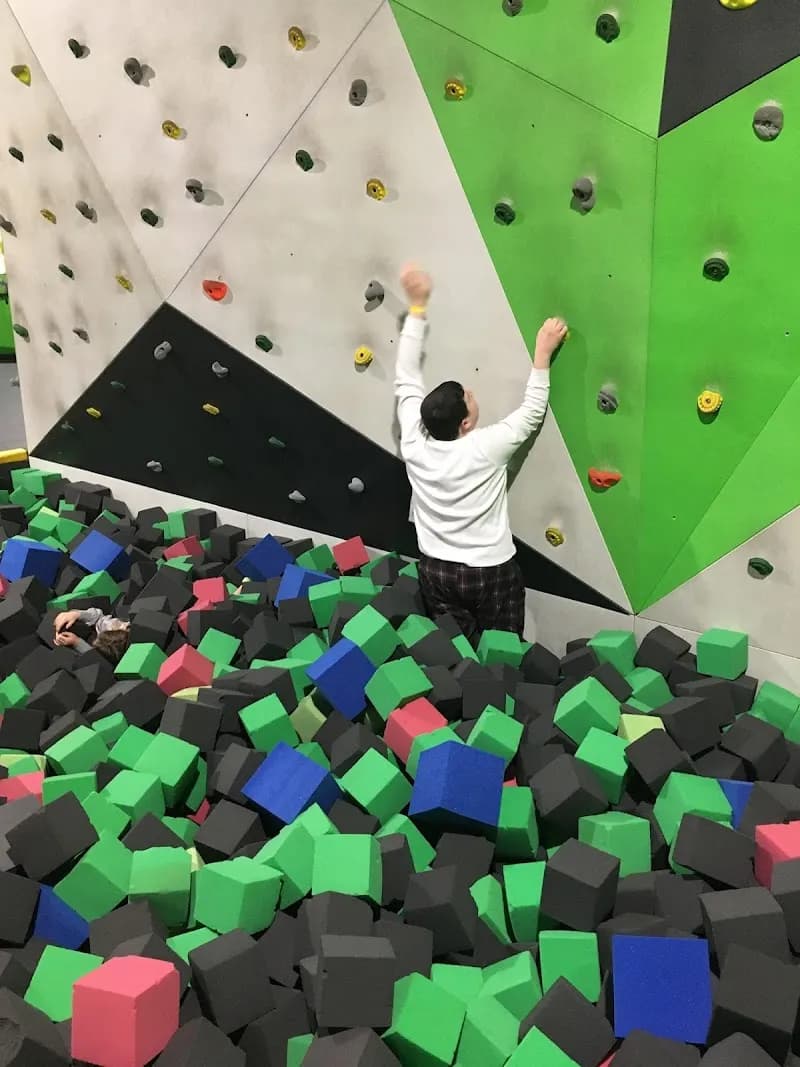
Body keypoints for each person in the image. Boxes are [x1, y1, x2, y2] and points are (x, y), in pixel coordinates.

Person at [394, 263, 567, 642]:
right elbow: (532, 412)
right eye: (467, 399)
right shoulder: (485, 447)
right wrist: (543, 353)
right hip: (488, 571)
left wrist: (417, 307)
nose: (471, 394)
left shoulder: (414, 440)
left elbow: (406, 375)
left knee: (457, 654)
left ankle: (458, 701)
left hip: (436, 569)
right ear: (465, 424)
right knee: (501, 651)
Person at [53, 607, 131, 664]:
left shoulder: (116, 658)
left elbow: (100, 663)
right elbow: (99, 617)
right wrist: (77, 614)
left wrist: (76, 643)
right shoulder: (116, 626)